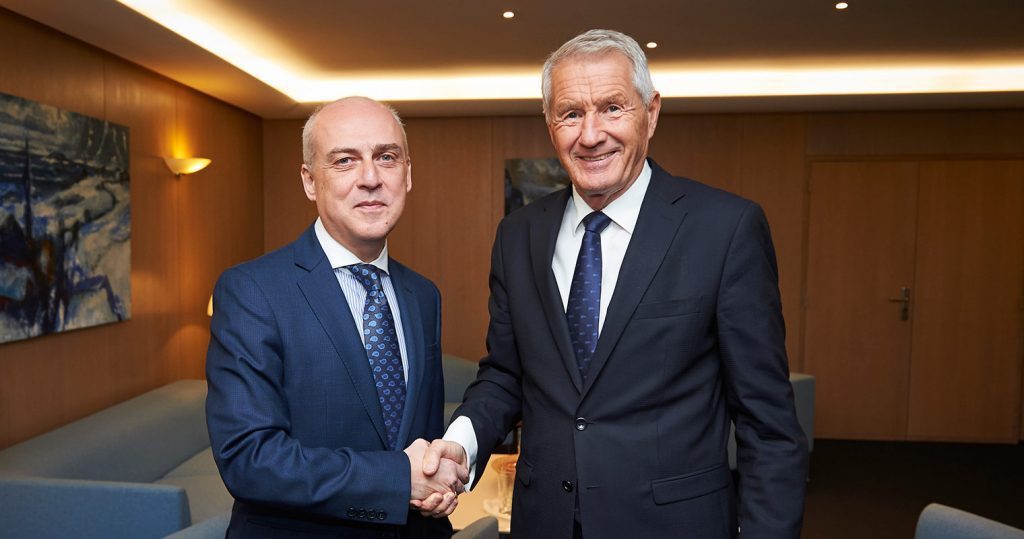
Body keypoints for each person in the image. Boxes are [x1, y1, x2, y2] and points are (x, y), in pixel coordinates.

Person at [423, 29, 808, 538]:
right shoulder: (519, 234)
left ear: (651, 112)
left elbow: (768, 426)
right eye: (570, 114)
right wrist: (461, 443)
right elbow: (506, 374)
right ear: (549, 123)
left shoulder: (724, 229)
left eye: (612, 108)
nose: (590, 135)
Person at [206, 96, 465, 538]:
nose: (370, 178)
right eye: (345, 161)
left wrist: (435, 481)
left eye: (386, 157)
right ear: (310, 181)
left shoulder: (423, 295)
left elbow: (415, 439)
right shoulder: (252, 290)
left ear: (407, 174)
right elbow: (249, 459)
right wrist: (397, 480)